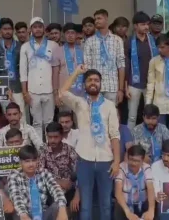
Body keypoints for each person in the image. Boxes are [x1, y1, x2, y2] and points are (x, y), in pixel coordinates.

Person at [59, 65, 120, 220]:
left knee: (106, 203)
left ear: (100, 84)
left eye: (96, 80)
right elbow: (62, 92)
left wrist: (117, 161)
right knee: (85, 205)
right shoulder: (80, 103)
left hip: (106, 160)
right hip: (84, 159)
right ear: (84, 84)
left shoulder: (109, 105)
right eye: (90, 80)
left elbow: (114, 134)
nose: (93, 83)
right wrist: (77, 72)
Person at [20, 17, 58, 141]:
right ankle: (39, 148)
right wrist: (25, 92)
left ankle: (49, 146)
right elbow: (23, 71)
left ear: (44, 29)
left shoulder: (53, 45)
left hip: (49, 90)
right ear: (31, 29)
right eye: (35, 27)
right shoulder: (25, 47)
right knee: (36, 122)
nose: (37, 29)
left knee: (49, 121)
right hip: (33, 91)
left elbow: (56, 69)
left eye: (40, 27)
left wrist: (55, 90)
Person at [7, 145, 68, 220]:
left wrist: (62, 208)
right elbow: (16, 197)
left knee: (58, 206)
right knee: (18, 215)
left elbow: (55, 188)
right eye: (27, 161)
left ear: (38, 160)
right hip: (25, 214)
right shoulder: (14, 175)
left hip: (43, 213)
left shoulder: (43, 172)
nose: (31, 164)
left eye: (33, 160)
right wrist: (24, 215)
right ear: (20, 162)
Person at [145, 35, 169, 137]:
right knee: (159, 133)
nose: (159, 50)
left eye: (162, 47)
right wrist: (148, 104)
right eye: (158, 47)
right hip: (159, 103)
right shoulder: (154, 61)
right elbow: (150, 84)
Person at [84, 9, 126, 104]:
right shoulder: (90, 41)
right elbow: (87, 67)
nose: (97, 21)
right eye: (95, 19)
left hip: (112, 86)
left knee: (112, 116)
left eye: (99, 18)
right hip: (95, 86)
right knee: (95, 115)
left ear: (106, 19)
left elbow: (121, 65)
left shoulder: (117, 40)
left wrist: (121, 89)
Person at [125, 11, 157, 129]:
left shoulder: (152, 40)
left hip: (151, 83)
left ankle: (148, 139)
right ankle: (130, 144)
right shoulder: (129, 42)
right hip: (134, 84)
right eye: (143, 24)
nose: (146, 27)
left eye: (147, 24)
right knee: (132, 116)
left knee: (150, 115)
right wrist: (125, 86)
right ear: (135, 26)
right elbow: (126, 64)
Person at [0, 18, 25, 120]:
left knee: (21, 116)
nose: (7, 31)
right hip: (4, 88)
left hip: (18, 87)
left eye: (9, 29)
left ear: (13, 30)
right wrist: (1, 87)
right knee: (8, 117)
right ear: (0, 31)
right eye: (4, 29)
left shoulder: (20, 46)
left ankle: (23, 136)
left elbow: (24, 69)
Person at [39, 122, 78, 207]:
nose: (52, 140)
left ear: (61, 136)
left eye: (56, 137)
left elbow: (78, 171)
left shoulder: (69, 150)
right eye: (50, 137)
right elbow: (39, 173)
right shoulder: (43, 149)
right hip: (49, 186)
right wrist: (58, 182)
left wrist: (71, 182)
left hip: (68, 186)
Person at [114, 144, 155, 220]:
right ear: (127, 158)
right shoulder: (121, 167)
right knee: (118, 205)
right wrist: (128, 213)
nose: (133, 163)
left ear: (142, 160)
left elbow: (150, 189)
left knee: (151, 207)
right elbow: (118, 193)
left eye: (137, 161)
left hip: (142, 203)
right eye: (131, 159)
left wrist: (151, 210)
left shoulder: (146, 168)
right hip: (125, 204)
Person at [52, 22, 84, 110]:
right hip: (64, 93)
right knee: (65, 120)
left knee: (80, 120)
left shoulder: (82, 50)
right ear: (64, 35)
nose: (70, 36)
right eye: (67, 33)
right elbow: (55, 74)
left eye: (72, 33)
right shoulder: (58, 50)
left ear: (76, 35)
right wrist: (56, 94)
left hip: (80, 92)